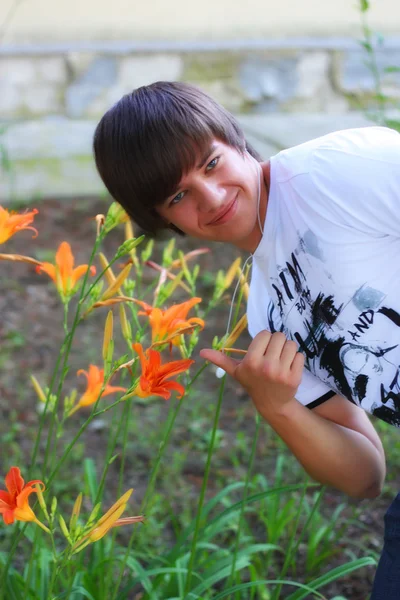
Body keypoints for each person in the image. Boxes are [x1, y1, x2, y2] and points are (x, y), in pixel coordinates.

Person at [93, 81, 400, 598]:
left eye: (210, 164)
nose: (210, 198)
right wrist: (278, 406)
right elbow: (364, 476)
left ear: (236, 142)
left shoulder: (340, 170)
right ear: (161, 219)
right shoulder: (268, 318)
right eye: (177, 195)